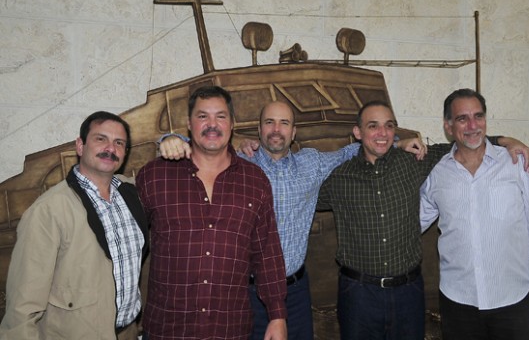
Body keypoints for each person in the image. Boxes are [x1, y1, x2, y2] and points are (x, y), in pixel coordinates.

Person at [315, 100, 529, 340]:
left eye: (389, 126)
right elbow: (305, 199)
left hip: (408, 292)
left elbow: (464, 142)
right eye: (373, 126)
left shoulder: (413, 161)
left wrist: (505, 140)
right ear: (358, 133)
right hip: (358, 294)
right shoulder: (338, 177)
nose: (382, 133)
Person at [159, 100, 362, 340]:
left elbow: (351, 151)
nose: (276, 129)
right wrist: (169, 140)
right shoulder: (237, 164)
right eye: (269, 122)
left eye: (284, 123)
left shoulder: (313, 163)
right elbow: (202, 146)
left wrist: (398, 144)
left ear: (293, 132)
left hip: (294, 290)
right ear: (259, 129)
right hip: (245, 292)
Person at [136, 86, 288, 340]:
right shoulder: (155, 176)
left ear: (232, 124)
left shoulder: (255, 182)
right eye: (202, 116)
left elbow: (267, 254)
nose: (212, 124)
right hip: (168, 328)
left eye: (220, 116)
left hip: (230, 328)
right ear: (188, 124)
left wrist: (277, 315)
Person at [420, 88, 529, 340]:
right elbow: (412, 223)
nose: (472, 125)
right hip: (458, 303)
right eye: (462, 118)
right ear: (448, 127)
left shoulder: (517, 163)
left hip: (515, 300)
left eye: (478, 116)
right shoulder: (437, 173)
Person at [0, 111, 148, 340]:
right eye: (101, 139)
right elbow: (22, 308)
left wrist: (175, 141)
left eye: (119, 142)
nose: (111, 148)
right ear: (80, 145)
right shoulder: (48, 211)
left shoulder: (132, 194)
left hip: (127, 332)